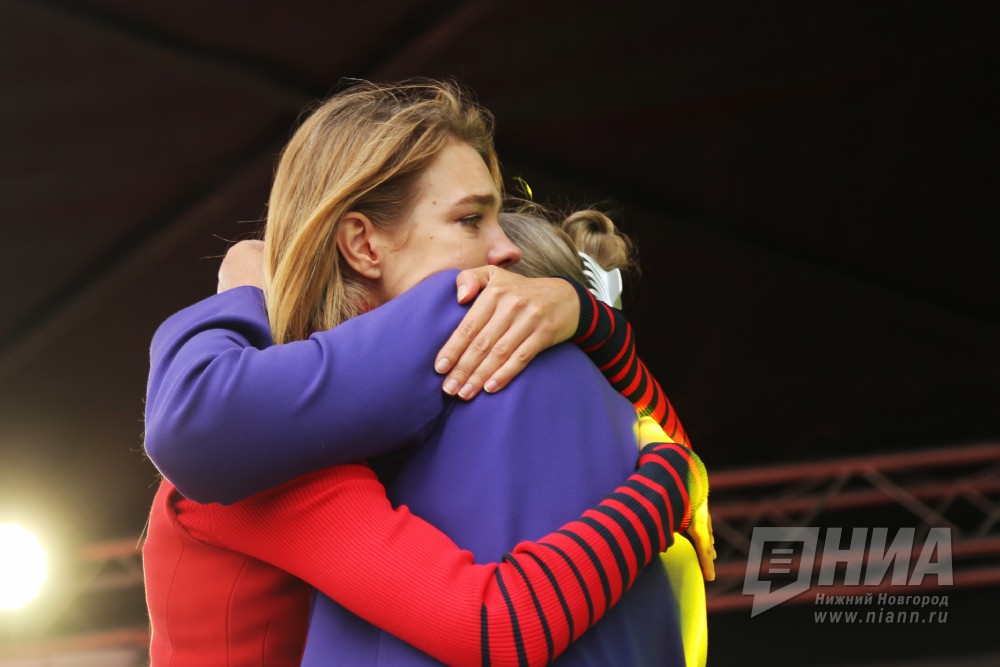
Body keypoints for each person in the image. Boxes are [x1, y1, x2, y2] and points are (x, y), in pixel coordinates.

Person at [144, 79, 706, 665]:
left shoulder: (337, 426)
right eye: (470, 219)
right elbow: (499, 625)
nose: (506, 250)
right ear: (363, 246)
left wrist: (587, 317)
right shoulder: (261, 460)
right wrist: (669, 485)